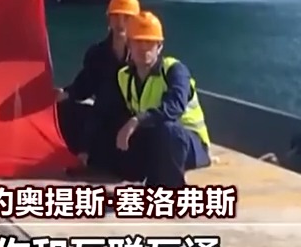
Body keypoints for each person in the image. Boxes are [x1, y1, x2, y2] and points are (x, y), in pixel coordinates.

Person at [89, 11, 211, 188]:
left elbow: (174, 106)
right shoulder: (124, 76)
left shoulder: (174, 71)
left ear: (159, 47)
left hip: (189, 144)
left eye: (150, 43)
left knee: (168, 130)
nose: (144, 48)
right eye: (138, 42)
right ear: (129, 45)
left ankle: (169, 190)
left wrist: (137, 120)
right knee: (111, 137)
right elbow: (105, 107)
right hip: (155, 138)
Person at [58, 0, 140, 159]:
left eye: (127, 17)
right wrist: (66, 93)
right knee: (64, 109)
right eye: (116, 16)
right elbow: (85, 85)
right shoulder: (97, 53)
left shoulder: (142, 56)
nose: (120, 23)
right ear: (108, 19)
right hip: (102, 116)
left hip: (130, 120)